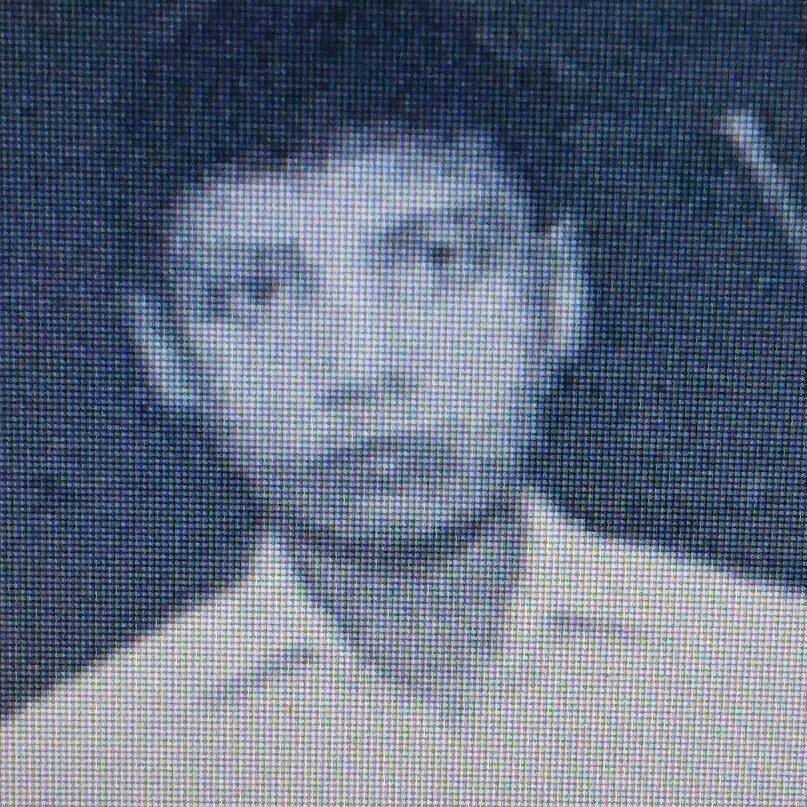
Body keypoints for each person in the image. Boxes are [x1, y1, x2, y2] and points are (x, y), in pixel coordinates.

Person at [2, 2, 804, 804]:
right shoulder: (74, 766)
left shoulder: (770, 682)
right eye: (257, 293)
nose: (363, 369)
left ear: (558, 291)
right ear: (167, 352)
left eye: (437, 260)